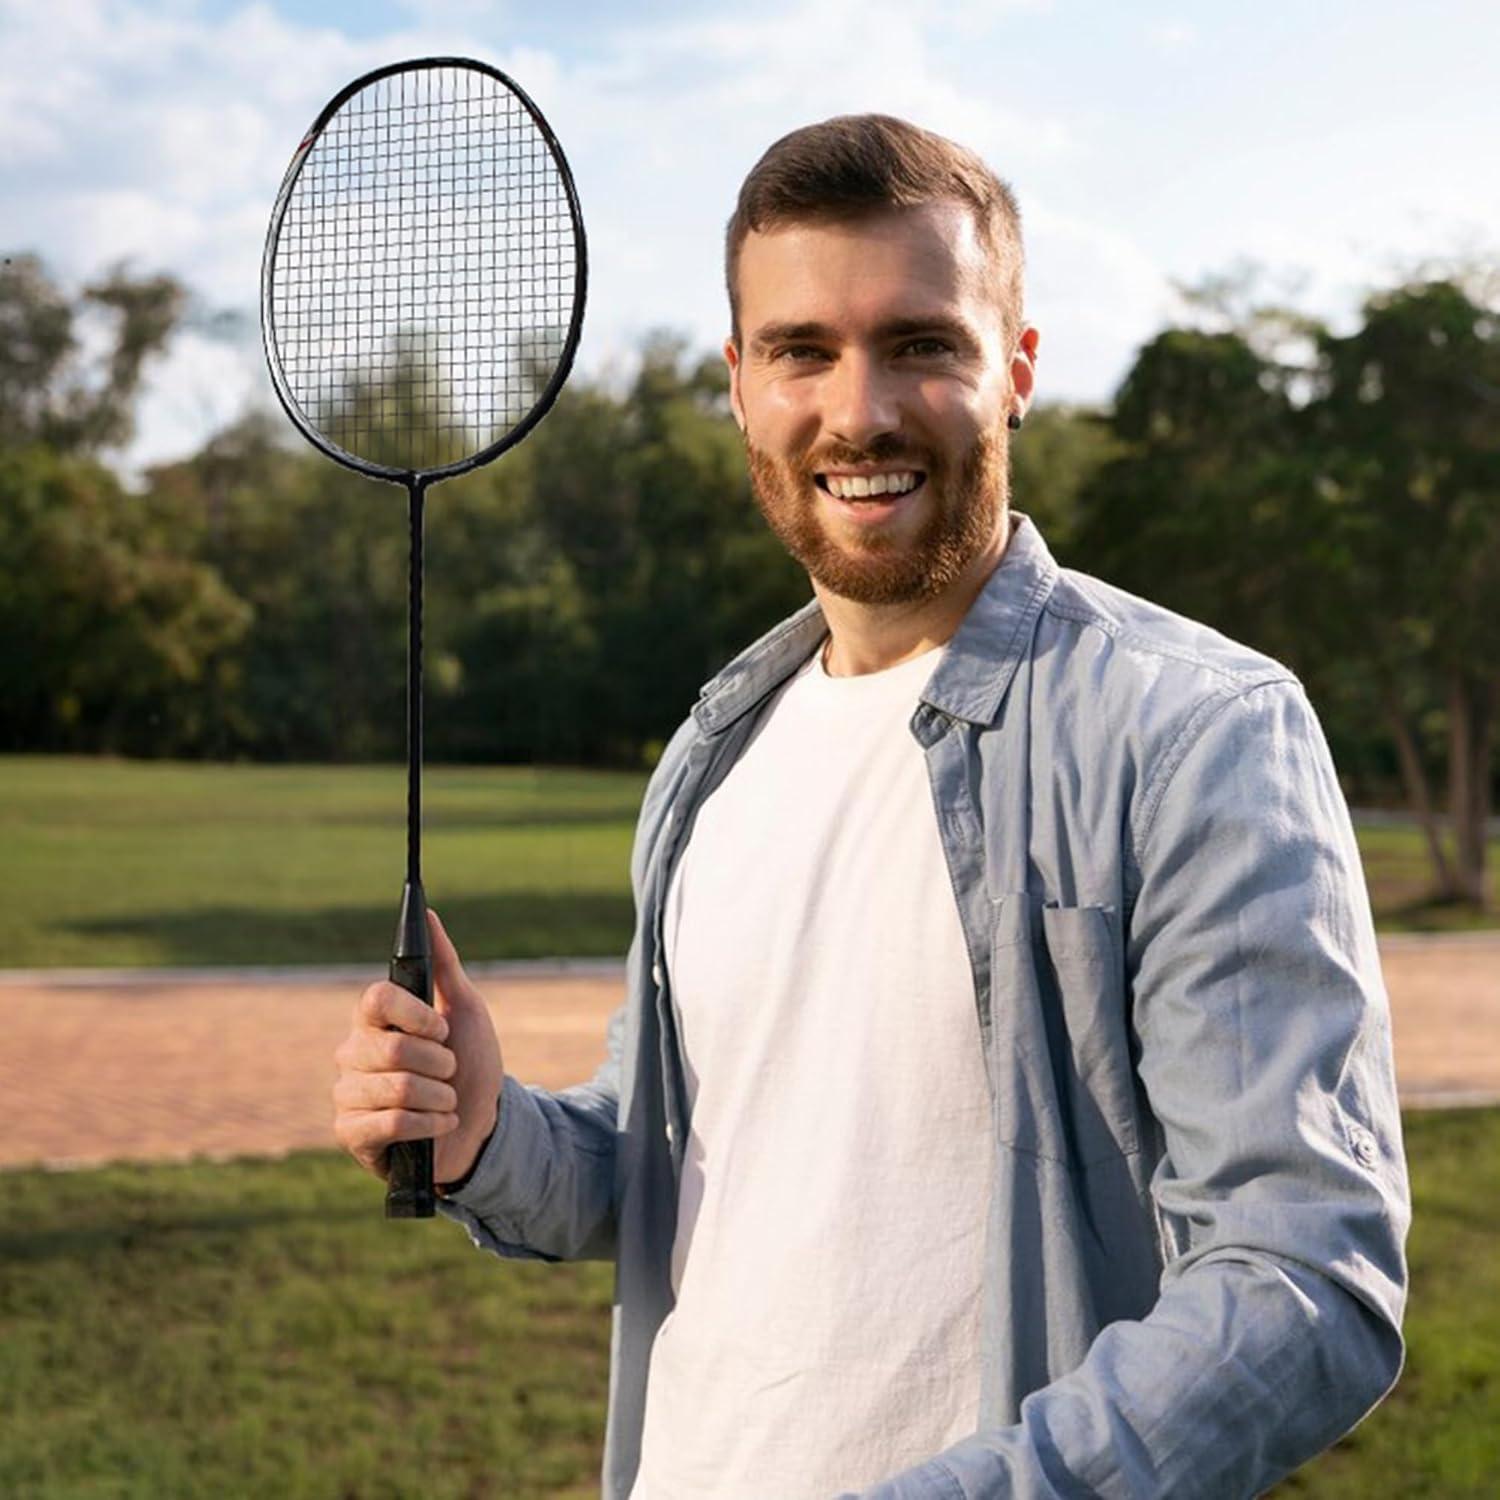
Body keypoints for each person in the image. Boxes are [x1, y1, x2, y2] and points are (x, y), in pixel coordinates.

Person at [332, 114, 1410, 1499]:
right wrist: (485, 1132)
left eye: (920, 344)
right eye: (803, 352)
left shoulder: (1195, 731)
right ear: (738, 383)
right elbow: (671, 1160)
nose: (859, 411)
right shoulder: (718, 749)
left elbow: (1303, 1279)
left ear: (1014, 368)